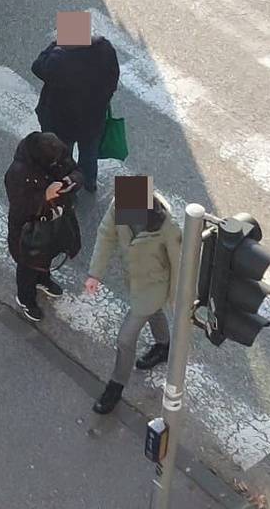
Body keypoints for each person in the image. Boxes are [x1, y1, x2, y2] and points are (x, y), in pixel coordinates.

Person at [82, 178, 182, 416]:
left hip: (155, 285)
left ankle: (116, 386)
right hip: (134, 280)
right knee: (153, 312)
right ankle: (164, 346)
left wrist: (176, 298)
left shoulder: (167, 226)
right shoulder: (121, 205)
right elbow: (106, 235)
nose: (120, 215)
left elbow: (179, 264)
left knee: (125, 339)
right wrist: (95, 273)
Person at [31, 11, 119, 221]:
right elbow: (114, 79)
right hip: (92, 119)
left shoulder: (59, 61)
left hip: (62, 122)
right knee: (89, 153)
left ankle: (68, 191)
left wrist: (55, 46)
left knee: (63, 159)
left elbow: (37, 66)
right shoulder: (104, 50)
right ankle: (89, 181)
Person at [4, 131, 81, 323]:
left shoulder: (56, 154)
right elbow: (19, 207)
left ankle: (43, 279)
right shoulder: (18, 173)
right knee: (27, 264)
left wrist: (69, 182)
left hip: (53, 220)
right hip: (28, 230)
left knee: (46, 254)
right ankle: (25, 298)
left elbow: (77, 171)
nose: (58, 164)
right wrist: (44, 196)